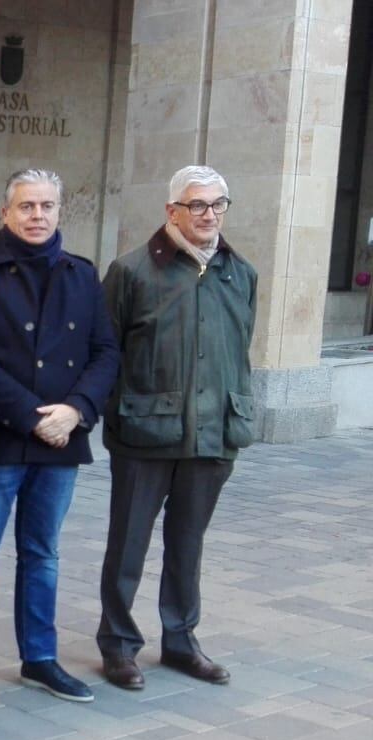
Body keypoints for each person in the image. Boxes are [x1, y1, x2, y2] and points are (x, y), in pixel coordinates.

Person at [0, 169, 119, 711]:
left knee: (43, 554)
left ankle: (39, 658)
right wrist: (31, 415)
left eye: (46, 205)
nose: (37, 215)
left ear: (59, 211)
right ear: (5, 212)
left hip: (61, 441)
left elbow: (105, 352)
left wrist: (76, 410)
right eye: (26, 206)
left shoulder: (82, 275)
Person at [96, 165, 257, 690]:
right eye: (198, 205)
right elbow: (106, 352)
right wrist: (116, 412)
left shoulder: (241, 273)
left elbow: (240, 352)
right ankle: (119, 646)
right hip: (144, 435)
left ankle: (182, 641)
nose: (209, 214)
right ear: (172, 212)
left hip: (213, 434)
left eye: (218, 204)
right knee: (128, 545)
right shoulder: (132, 271)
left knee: (188, 545)